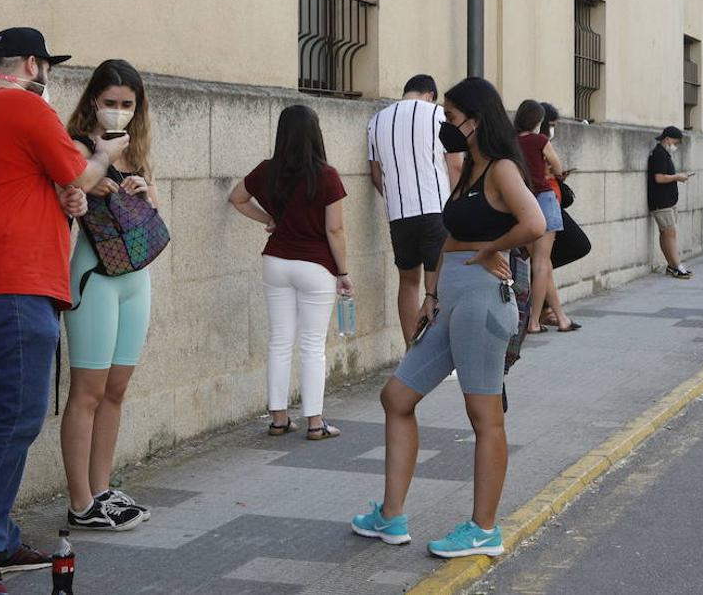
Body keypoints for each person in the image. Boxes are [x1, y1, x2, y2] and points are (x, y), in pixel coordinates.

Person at [0, 27, 129, 595]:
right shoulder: (24, 107)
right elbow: (80, 173)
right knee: (14, 417)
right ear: (33, 64)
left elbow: (40, 187)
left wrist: (65, 198)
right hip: (12, 286)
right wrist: (104, 154)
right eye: (47, 67)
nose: (48, 78)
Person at [351, 77, 546, 559]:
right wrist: (431, 293)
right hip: (450, 301)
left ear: (475, 122)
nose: (445, 126)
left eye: (452, 118)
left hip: (483, 301)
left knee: (483, 416)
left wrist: (490, 249)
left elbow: (534, 223)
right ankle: (391, 515)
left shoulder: (501, 169)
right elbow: (448, 240)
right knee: (396, 396)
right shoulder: (466, 172)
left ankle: (484, 529)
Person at [60, 60, 158, 532]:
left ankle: (101, 488)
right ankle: (80, 501)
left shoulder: (134, 147)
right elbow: (67, 188)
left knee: (116, 389)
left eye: (127, 104)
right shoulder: (79, 143)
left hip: (135, 276)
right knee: (88, 391)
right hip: (93, 275)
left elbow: (145, 207)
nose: (118, 112)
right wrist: (95, 164)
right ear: (92, 101)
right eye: (110, 103)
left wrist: (145, 189)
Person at [230, 105, 351, 441]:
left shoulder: (268, 171)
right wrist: (343, 272)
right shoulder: (326, 175)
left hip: (276, 261)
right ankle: (315, 422)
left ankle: (279, 419)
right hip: (316, 266)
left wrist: (270, 220)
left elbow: (237, 198)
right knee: (313, 345)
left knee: (280, 340)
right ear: (316, 133)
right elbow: (336, 230)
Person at [368, 75, 463, 346]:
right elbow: (454, 165)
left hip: (399, 214)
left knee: (408, 281)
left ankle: (412, 351)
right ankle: (438, 354)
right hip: (437, 209)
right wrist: (459, 205)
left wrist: (397, 198)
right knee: (436, 286)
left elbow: (376, 175)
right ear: (431, 94)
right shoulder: (439, 115)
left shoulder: (376, 121)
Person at [515, 100, 579, 332]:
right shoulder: (540, 140)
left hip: (522, 202)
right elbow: (558, 166)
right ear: (538, 121)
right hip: (543, 198)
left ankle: (561, 318)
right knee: (542, 264)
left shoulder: (512, 142)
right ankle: (533, 321)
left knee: (543, 264)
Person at [647, 126, 693, 276]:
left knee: (666, 233)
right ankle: (677, 265)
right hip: (662, 201)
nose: (676, 146)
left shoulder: (663, 153)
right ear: (667, 139)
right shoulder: (659, 154)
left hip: (667, 200)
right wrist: (678, 177)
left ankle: (672, 265)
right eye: (676, 142)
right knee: (670, 233)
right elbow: (659, 178)